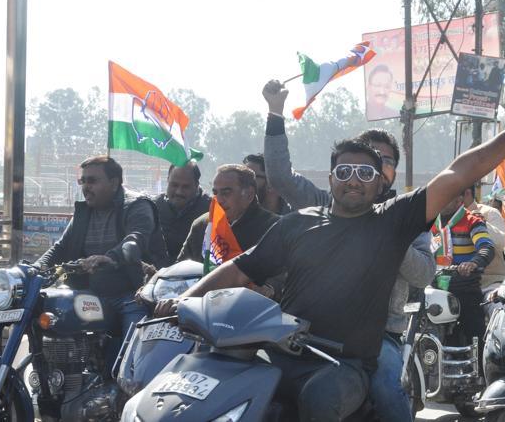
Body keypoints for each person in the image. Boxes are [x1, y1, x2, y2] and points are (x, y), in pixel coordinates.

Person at [155, 78, 505, 421]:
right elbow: (241, 268)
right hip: (281, 352)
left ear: (380, 184)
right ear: (331, 179)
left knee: (323, 398)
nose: (353, 180)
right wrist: (183, 300)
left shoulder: (393, 221)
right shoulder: (299, 222)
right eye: (344, 172)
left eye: (365, 173)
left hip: (345, 364)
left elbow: (459, 171)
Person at [261, 79, 434, 421]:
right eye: (354, 163)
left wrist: (387, 236)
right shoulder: (327, 205)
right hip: (307, 330)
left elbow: (424, 273)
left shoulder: (409, 216)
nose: (360, 174)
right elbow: (280, 178)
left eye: (380, 161)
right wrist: (275, 112)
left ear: (390, 171)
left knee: (387, 386)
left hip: (378, 336)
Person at [36, 155, 168, 368]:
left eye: (93, 181)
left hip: (131, 293)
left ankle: (128, 392)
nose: (86, 187)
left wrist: (111, 257)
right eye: (83, 181)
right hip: (91, 292)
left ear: (114, 183)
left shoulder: (137, 205)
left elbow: (136, 238)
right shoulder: (84, 211)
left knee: (134, 360)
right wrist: (36, 268)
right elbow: (60, 247)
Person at [176, 164, 283, 297]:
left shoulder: (274, 226)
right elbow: (180, 268)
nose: (219, 199)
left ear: (249, 194)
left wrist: (270, 288)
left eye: (226, 193)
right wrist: (158, 279)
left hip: (251, 310)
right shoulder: (202, 224)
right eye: (215, 192)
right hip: (198, 307)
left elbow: (284, 276)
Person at [434, 190, 495, 346]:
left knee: (475, 334)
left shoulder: (472, 221)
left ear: (459, 199)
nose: (441, 199)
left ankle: (480, 368)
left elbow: (486, 247)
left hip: (464, 288)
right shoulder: (431, 223)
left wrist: (473, 263)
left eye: (447, 195)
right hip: (434, 288)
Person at [153, 161, 211, 259]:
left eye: (185, 187)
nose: (179, 192)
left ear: (196, 185)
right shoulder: (153, 206)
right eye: (174, 185)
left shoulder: (211, 209)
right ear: (167, 181)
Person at [462, 183, 505, 287]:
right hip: (458, 282)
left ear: (467, 193)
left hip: (489, 281)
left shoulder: (489, 213)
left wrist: (481, 222)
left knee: (496, 303)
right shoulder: (448, 217)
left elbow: (502, 243)